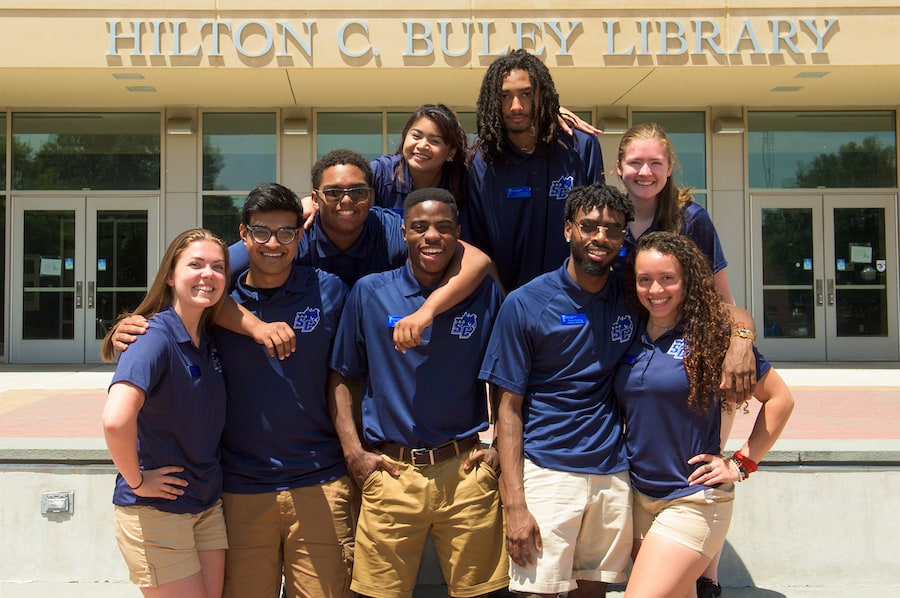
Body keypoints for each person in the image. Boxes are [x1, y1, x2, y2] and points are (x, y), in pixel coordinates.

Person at [327, 187, 508, 598]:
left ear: (458, 234)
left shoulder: (483, 293)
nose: (432, 236)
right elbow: (341, 377)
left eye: (444, 228)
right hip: (392, 471)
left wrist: (497, 445)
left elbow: (505, 379)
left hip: (465, 469)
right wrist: (353, 453)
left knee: (485, 594)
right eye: (420, 227)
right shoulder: (370, 292)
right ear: (405, 233)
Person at [614, 232, 794, 598]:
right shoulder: (630, 330)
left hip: (693, 500)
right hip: (639, 497)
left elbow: (780, 399)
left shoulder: (714, 337)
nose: (655, 289)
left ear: (688, 281)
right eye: (644, 279)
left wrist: (742, 463)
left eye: (667, 278)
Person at [482, 183, 636, 598]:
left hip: (612, 471)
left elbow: (715, 305)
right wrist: (515, 503)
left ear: (623, 238)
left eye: (613, 229)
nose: (600, 237)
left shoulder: (633, 295)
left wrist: (743, 336)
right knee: (536, 592)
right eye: (589, 226)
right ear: (568, 229)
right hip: (548, 469)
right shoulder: (526, 303)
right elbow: (507, 410)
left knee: (594, 590)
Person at [212, 183, 353, 598]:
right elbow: (174, 296)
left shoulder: (329, 290)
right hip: (241, 489)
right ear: (243, 234)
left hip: (320, 481)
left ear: (300, 235)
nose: (273, 244)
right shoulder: (220, 301)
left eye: (286, 233)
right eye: (261, 232)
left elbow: (348, 376)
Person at [234, 148, 492, 351]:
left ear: (371, 196)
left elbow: (478, 260)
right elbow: (211, 269)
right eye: (333, 192)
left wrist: (427, 312)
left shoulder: (389, 230)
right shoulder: (292, 235)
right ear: (315, 198)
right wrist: (256, 326)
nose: (346, 201)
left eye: (357, 192)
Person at [101, 228, 230, 598]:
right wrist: (137, 480)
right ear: (170, 277)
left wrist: (309, 207)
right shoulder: (151, 337)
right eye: (195, 264)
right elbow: (115, 419)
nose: (208, 274)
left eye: (218, 267)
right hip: (156, 512)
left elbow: (256, 247)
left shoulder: (207, 338)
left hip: (205, 505)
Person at [462, 48, 605, 291]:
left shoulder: (580, 148)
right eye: (505, 96)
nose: (516, 106)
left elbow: (597, 230)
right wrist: (506, 304)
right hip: (508, 307)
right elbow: (477, 248)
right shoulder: (480, 164)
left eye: (526, 94)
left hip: (575, 302)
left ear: (542, 95)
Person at [615, 121, 734, 304]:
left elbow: (722, 298)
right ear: (619, 167)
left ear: (669, 168)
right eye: (635, 162)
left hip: (679, 331)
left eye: (655, 163)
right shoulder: (607, 221)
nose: (645, 172)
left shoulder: (692, 219)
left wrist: (739, 332)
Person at [370, 103, 469, 215]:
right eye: (416, 136)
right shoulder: (380, 173)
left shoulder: (465, 183)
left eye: (434, 141)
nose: (422, 145)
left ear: (451, 152)